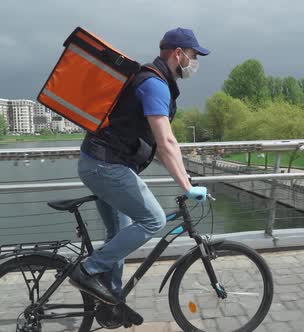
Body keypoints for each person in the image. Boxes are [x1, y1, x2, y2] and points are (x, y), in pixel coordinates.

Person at [69, 27, 210, 311]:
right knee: (153, 220)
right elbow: (166, 140)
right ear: (178, 53)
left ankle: (110, 301)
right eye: (193, 56)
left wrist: (184, 175)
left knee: (118, 234)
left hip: (99, 163)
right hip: (105, 166)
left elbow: (151, 147)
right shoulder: (156, 85)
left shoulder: (152, 80)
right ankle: (87, 271)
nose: (195, 63)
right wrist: (186, 186)